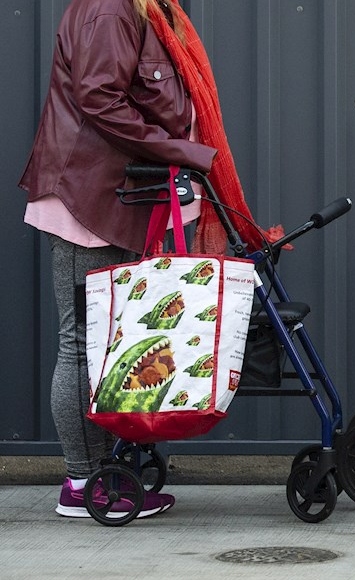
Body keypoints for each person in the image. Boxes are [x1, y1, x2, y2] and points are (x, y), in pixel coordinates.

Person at [19, 0, 266, 519]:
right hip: (86, 197)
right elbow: (98, 98)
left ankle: (108, 470)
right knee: (82, 340)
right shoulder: (109, 9)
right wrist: (179, 150)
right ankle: (82, 483)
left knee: (115, 341)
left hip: (121, 196)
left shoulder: (146, 10)